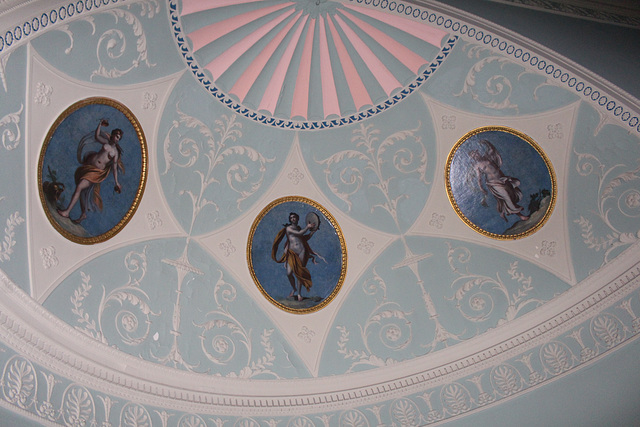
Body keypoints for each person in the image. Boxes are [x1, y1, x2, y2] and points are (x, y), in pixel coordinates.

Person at [57, 119, 124, 224]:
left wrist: (117, 182)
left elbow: (114, 168)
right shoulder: (106, 142)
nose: (116, 138)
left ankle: (67, 212)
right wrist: (99, 124)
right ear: (112, 135)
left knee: (79, 187)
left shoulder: (115, 153)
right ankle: (83, 214)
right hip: (89, 167)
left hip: (96, 173)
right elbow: (97, 136)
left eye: (118, 137)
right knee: (82, 192)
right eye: (116, 135)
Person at [469, 139, 529, 222]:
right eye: (473, 156)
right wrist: (481, 188)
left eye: (476, 153)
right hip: (493, 183)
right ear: (473, 158)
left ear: (478, 152)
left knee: (513, 191)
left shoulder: (486, 157)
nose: (476, 155)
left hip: (502, 179)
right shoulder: (477, 166)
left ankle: (504, 212)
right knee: (506, 197)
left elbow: (492, 150)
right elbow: (479, 178)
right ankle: (520, 214)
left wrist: (487, 142)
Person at [271, 212, 320, 301]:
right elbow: (300, 233)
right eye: (291, 217)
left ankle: (299, 294)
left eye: (294, 217)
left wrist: (312, 231)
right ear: (290, 219)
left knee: (299, 273)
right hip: (292, 252)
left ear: (297, 219)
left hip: (301, 251)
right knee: (289, 273)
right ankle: (294, 288)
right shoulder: (288, 228)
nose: (293, 219)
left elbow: (304, 237)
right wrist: (307, 227)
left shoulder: (299, 228)